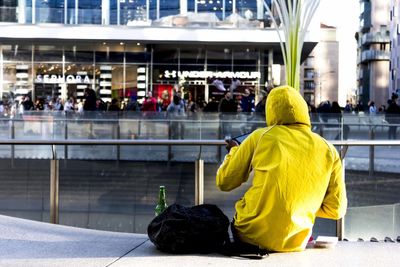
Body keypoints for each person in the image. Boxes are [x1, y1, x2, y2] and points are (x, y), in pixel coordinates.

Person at [216, 85, 347, 252]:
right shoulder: (328, 149)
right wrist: (301, 205)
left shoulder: (260, 136)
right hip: (296, 241)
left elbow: (224, 181)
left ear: (271, 110)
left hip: (249, 234)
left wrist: (234, 150)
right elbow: (336, 210)